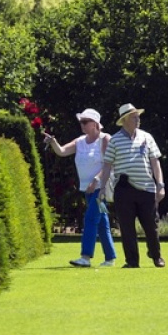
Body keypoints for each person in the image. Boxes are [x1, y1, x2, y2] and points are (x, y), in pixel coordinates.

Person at [44, 109, 118, 268]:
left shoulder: (105, 139)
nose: (82, 125)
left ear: (95, 124)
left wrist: (96, 180)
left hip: (101, 189)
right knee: (102, 222)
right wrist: (53, 142)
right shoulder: (80, 141)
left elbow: (109, 164)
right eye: (81, 122)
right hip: (88, 190)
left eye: (85, 122)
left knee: (90, 219)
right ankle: (110, 258)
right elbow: (62, 151)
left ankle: (85, 257)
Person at [99, 103, 166, 268]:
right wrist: (102, 188)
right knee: (127, 228)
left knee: (151, 225)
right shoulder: (114, 140)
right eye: (135, 117)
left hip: (146, 188)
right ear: (125, 120)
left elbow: (155, 162)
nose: (138, 119)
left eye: (138, 116)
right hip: (124, 188)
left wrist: (160, 184)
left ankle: (156, 255)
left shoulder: (147, 137)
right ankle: (132, 261)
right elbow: (107, 165)